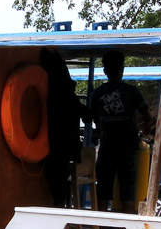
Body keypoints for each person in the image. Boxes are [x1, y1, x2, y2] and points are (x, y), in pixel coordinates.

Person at [91, 49, 151, 212]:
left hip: (107, 146)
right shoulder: (132, 91)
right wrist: (145, 129)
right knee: (128, 190)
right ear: (122, 70)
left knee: (103, 189)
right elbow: (147, 116)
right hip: (128, 146)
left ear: (105, 71)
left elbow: (92, 119)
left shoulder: (97, 94)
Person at [40, 49, 90, 206]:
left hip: (52, 144)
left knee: (56, 183)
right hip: (66, 146)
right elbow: (87, 115)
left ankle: (58, 208)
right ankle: (60, 208)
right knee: (60, 182)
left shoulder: (49, 93)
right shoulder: (69, 95)